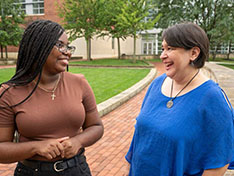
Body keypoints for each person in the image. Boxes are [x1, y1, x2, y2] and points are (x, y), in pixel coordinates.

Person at [124, 22, 234, 176]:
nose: (162, 55)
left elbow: (218, 164)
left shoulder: (213, 98)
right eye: (163, 49)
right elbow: (140, 136)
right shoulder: (157, 84)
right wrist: (127, 169)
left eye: (170, 49)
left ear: (194, 53)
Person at [0, 20, 104, 176]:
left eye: (68, 47)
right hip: (32, 172)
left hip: (76, 170)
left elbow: (97, 126)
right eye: (60, 45)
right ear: (38, 47)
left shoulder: (79, 83)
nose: (67, 52)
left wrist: (78, 141)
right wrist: (36, 147)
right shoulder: (9, 92)